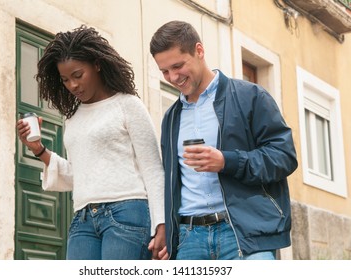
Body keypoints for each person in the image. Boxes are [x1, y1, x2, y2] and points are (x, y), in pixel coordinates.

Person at [149, 20, 298, 260]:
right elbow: (170, 181)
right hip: (189, 240)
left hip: (243, 233)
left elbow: (284, 157)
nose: (173, 77)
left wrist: (226, 161)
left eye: (178, 66)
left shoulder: (251, 96)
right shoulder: (171, 118)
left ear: (199, 51)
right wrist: (168, 229)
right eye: (165, 71)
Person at [17, 25, 165, 260]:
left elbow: (153, 169)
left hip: (126, 212)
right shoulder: (73, 118)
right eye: (65, 79)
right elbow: (80, 175)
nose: (73, 85)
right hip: (83, 219)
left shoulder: (127, 105)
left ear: (97, 64)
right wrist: (39, 150)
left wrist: (161, 224)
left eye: (78, 75)